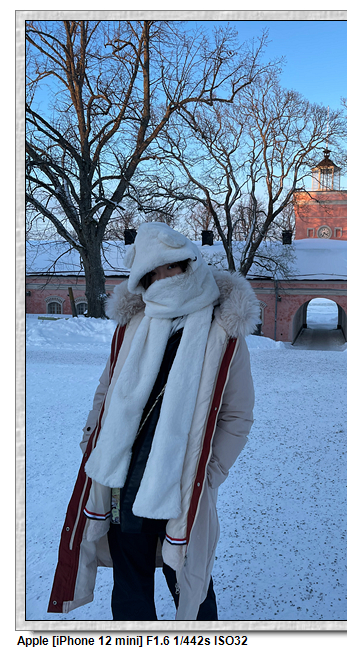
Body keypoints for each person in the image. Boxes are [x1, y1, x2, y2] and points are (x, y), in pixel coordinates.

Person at [48, 222, 260, 620]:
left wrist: (210, 472)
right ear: (142, 279)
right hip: (123, 480)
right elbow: (106, 390)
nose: (165, 278)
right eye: (153, 272)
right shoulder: (134, 323)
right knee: (130, 590)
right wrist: (91, 439)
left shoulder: (223, 329)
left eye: (172, 267)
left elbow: (238, 414)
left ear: (189, 264)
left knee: (190, 586)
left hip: (180, 483)